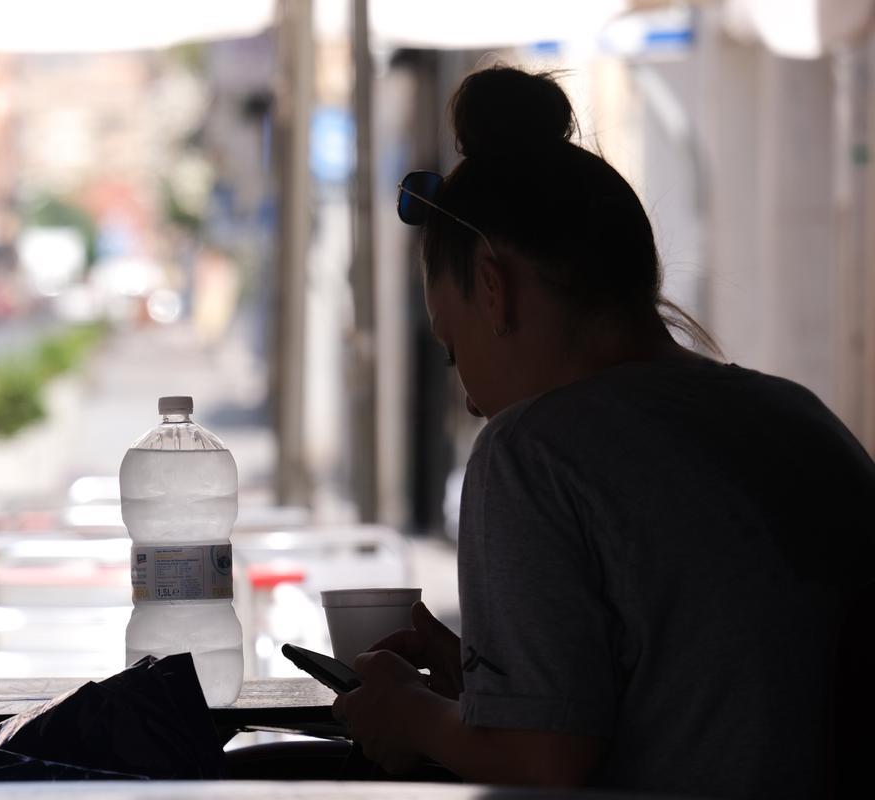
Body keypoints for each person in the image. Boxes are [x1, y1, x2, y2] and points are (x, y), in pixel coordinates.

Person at [331, 66, 875, 799]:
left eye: (453, 348)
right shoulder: (796, 415)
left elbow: (541, 764)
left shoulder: (530, 452)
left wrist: (409, 714)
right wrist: (496, 681)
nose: (468, 401)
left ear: (492, 287)